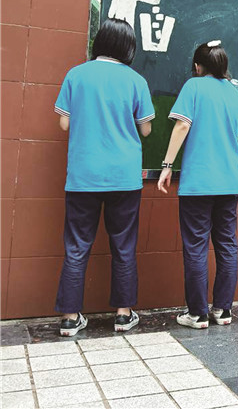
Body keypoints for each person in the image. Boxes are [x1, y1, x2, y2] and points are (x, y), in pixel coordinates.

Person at [54, 18, 154, 336]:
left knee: (76, 245)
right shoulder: (136, 80)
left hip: (83, 175)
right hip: (124, 176)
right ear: (128, 47)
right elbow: (146, 129)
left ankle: (70, 318)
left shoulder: (76, 75)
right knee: (123, 245)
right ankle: (123, 315)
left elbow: (64, 124)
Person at [158, 41, 238, 328]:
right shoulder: (236, 95)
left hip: (199, 182)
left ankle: (197, 314)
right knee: (227, 245)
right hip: (229, 182)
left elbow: (182, 125)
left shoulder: (194, 87)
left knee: (196, 246)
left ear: (198, 67)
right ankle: (223, 310)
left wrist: (167, 165)